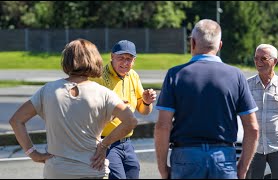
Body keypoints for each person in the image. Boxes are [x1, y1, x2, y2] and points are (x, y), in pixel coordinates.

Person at [9, 38, 138, 179]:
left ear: (66, 60)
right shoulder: (104, 93)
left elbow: (16, 121)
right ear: (95, 59)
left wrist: (33, 154)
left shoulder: (48, 90)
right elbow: (130, 121)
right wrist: (104, 145)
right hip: (92, 168)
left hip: (57, 171)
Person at [154, 19, 260, 179]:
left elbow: (163, 126)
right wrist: (242, 167)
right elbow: (253, 128)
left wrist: (162, 168)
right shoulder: (236, 75)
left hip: (186, 156)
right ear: (220, 46)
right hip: (223, 157)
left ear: (193, 42)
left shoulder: (175, 75)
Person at [90, 40, 157, 179]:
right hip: (105, 142)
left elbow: (144, 111)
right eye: (121, 58)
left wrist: (146, 101)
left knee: (133, 173)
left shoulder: (133, 75)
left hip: (126, 142)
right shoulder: (98, 77)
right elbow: (89, 112)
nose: (125, 63)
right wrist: (114, 109)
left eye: (129, 59)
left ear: (134, 60)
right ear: (112, 56)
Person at [246, 44, 278, 179]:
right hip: (255, 148)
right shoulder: (246, 85)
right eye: (256, 58)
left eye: (263, 58)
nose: (258, 62)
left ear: (274, 61)